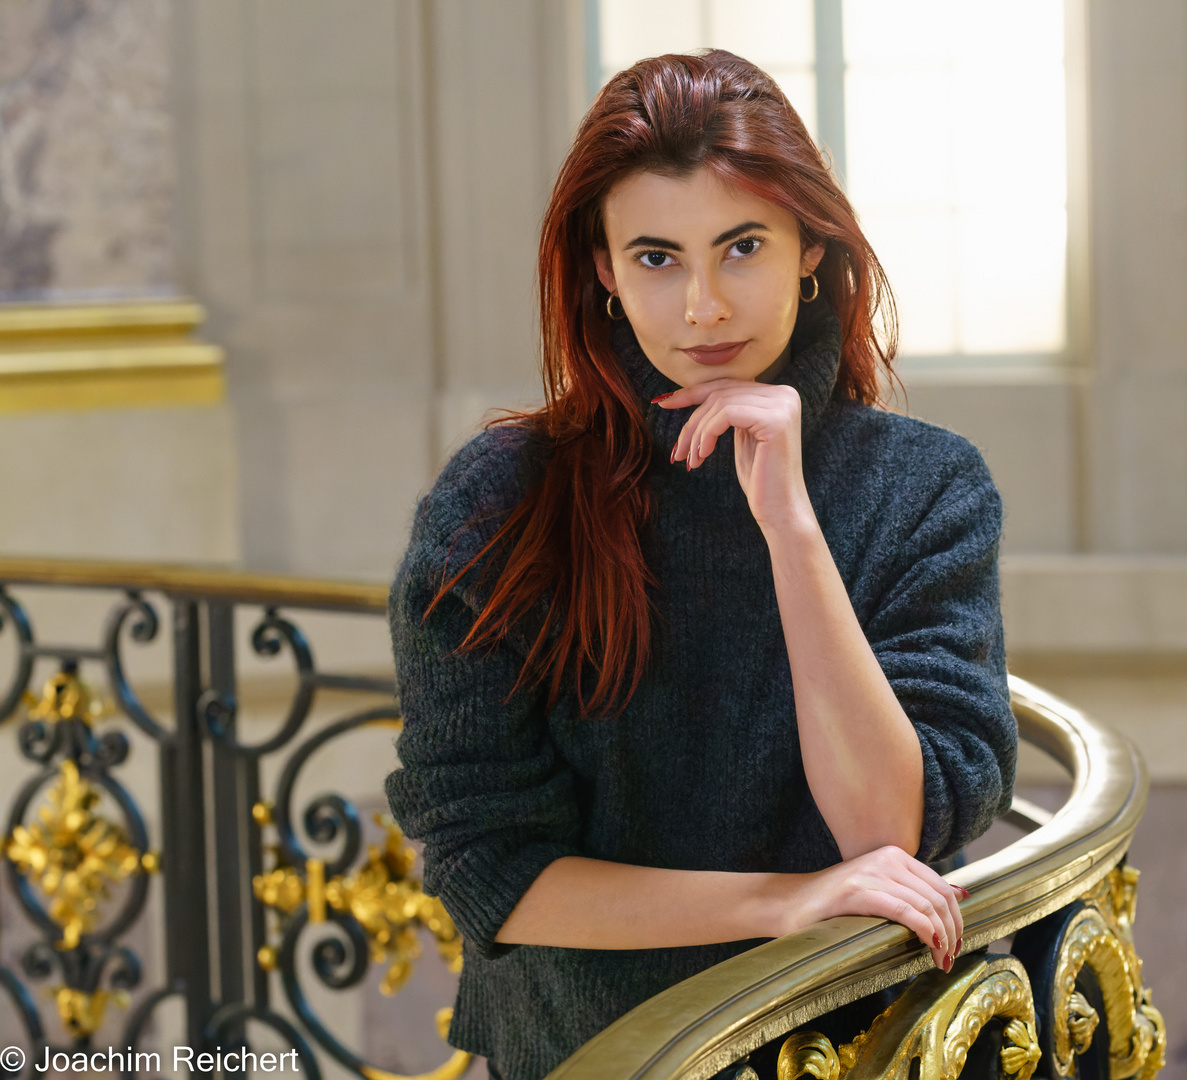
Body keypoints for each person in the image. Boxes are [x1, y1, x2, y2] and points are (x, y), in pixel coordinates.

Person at [383, 49, 1018, 1080]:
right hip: (596, 1052)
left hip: (856, 1043)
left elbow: (883, 826)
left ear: (810, 246)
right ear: (600, 270)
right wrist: (786, 902)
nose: (704, 308)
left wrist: (791, 527)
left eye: (741, 247)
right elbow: (493, 867)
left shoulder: (927, 488)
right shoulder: (499, 499)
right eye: (655, 258)